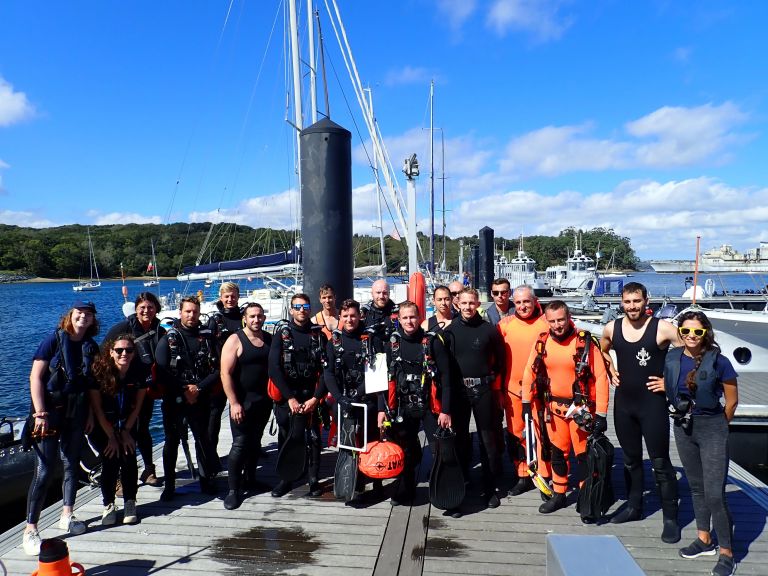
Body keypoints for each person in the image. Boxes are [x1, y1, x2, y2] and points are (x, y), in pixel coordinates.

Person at [599, 282, 682, 542]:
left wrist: (670, 383)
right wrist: (610, 368)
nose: (632, 306)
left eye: (637, 301)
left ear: (646, 301)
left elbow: (688, 354)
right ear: (621, 302)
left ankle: (670, 517)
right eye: (627, 302)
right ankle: (635, 506)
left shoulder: (663, 328)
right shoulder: (612, 328)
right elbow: (601, 348)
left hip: (652, 405)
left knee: (660, 461)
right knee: (631, 459)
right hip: (624, 405)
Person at [23, 301, 100, 556]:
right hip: (49, 413)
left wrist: (89, 413)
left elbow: (90, 385)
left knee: (71, 463)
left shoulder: (90, 347)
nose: (83, 318)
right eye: (80, 314)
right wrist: (40, 412)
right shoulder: (52, 341)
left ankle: (67, 513)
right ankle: (30, 529)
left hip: (76, 413)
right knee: (44, 470)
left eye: (88, 315)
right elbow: (36, 376)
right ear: (71, 316)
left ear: (92, 320)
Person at [665, 311, 738, 576]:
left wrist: (719, 426)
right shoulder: (673, 357)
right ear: (680, 333)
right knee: (696, 487)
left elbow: (731, 401)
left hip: (712, 428)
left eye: (697, 332)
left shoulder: (720, 362)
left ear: (706, 333)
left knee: (715, 494)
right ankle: (704, 539)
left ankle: (727, 552)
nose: (691, 336)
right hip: (683, 427)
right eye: (686, 331)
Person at [521, 300, 609, 517]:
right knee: (558, 454)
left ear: (569, 317)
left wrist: (602, 414)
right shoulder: (542, 342)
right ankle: (559, 494)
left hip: (580, 411)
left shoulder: (585, 342)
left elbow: (600, 377)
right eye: (552, 321)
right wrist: (525, 403)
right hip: (554, 410)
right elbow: (528, 372)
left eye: (561, 319)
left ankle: (585, 494)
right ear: (546, 321)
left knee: (582, 457)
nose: (557, 325)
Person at [379, 301, 452, 505]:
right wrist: (381, 410)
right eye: (405, 318)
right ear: (399, 320)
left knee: (438, 448)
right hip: (403, 405)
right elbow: (383, 381)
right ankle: (406, 488)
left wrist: (446, 410)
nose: (409, 321)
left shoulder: (432, 342)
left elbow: (446, 378)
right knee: (405, 449)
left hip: (430, 405)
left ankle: (442, 490)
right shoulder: (391, 344)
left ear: (420, 318)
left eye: (413, 317)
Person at [444, 288, 506, 511]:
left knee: (487, 439)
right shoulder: (450, 331)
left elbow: (500, 360)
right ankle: (462, 483)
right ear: (457, 304)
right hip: (460, 392)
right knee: (459, 439)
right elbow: (446, 366)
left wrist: (490, 382)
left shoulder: (489, 330)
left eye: (472, 303)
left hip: (483, 390)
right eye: (464, 303)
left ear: (478, 303)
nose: (468, 307)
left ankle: (490, 488)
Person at [155, 296, 220, 501]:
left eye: (195, 311)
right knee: (171, 442)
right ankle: (170, 486)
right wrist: (185, 390)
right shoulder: (169, 338)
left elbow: (219, 369)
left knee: (202, 439)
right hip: (175, 399)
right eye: (187, 311)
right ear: (180, 312)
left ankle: (205, 479)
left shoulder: (208, 338)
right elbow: (161, 370)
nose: (191, 315)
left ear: (200, 313)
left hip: (200, 397)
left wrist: (198, 388)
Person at [269, 293, 328, 498]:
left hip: (311, 396)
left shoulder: (318, 336)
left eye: (305, 306)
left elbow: (327, 371)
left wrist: (316, 398)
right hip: (288, 397)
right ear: (291, 310)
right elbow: (274, 369)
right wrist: (290, 398)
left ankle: (313, 480)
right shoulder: (281, 334)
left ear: (310, 309)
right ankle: (286, 478)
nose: (301, 310)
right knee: (287, 437)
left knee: (313, 439)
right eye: (297, 306)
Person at [103, 291, 165, 487]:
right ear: (136, 309)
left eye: (150, 307)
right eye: (142, 308)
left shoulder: (159, 330)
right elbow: (104, 354)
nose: (146, 311)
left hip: (146, 388)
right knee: (119, 429)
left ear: (156, 309)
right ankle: (119, 477)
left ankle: (148, 469)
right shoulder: (123, 328)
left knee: (142, 428)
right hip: (121, 387)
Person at [324, 299, 383, 500]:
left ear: (360, 316)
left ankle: (376, 481)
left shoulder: (371, 339)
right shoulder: (334, 341)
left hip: (366, 397)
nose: (350, 319)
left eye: (353, 315)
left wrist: (358, 393)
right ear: (340, 317)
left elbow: (377, 372)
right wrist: (340, 398)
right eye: (346, 315)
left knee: (371, 440)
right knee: (347, 442)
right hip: (344, 400)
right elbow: (329, 374)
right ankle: (353, 480)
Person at [89, 334, 147, 525]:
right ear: (111, 352)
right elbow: (97, 409)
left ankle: (130, 501)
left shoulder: (138, 372)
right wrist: (112, 437)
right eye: (119, 350)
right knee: (111, 459)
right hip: (104, 426)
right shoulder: (101, 373)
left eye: (129, 350)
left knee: (129, 457)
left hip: (127, 424)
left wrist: (125, 432)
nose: (124, 354)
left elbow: (138, 406)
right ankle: (109, 504)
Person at [220, 302, 273, 510]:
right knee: (240, 444)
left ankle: (250, 479)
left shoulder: (268, 339)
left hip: (264, 401)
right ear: (245, 318)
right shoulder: (235, 340)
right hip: (242, 403)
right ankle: (233, 490)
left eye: (260, 316)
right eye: (252, 316)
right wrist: (234, 403)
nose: (256, 320)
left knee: (255, 443)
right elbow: (225, 373)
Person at [498, 285, 549, 496]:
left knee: (543, 435)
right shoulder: (505, 325)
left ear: (535, 300)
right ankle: (523, 475)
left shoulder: (548, 322)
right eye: (518, 302)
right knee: (516, 435)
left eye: (526, 301)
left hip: (541, 391)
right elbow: (493, 357)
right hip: (513, 390)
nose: (522, 306)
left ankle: (545, 475)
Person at [207, 282, 243, 459]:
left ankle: (250, 446)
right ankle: (211, 453)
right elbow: (208, 346)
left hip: (242, 372)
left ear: (238, 296)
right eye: (226, 296)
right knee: (215, 414)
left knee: (245, 410)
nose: (230, 299)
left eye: (233, 296)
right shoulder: (215, 320)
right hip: (220, 373)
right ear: (221, 298)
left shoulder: (244, 317)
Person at [362, 279, 397, 347]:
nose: (381, 296)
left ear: (389, 293)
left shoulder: (398, 313)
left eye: (385, 293)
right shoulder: (364, 313)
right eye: (378, 292)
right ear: (372, 294)